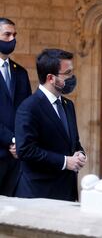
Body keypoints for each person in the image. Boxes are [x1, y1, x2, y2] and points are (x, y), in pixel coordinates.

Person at [14, 49, 86, 201]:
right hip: (40, 193)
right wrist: (65, 162)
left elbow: (74, 142)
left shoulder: (68, 105)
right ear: (51, 78)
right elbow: (26, 150)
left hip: (67, 192)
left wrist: (80, 154)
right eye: (67, 73)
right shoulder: (29, 107)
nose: (72, 77)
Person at [0, 18, 32, 196]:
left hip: (16, 157)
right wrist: (12, 140)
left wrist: (20, 141)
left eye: (14, 35)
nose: (12, 39)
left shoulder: (20, 72)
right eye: (7, 34)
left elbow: (26, 112)